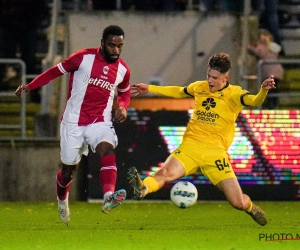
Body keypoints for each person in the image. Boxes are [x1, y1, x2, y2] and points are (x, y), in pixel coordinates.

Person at [128, 52, 276, 226]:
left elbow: (254, 100)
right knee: (165, 173)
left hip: (215, 154)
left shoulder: (235, 94)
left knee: (238, 203)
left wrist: (263, 90)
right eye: (208, 76)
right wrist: (150, 88)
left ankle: (251, 207)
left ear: (225, 77)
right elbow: (178, 91)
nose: (210, 81)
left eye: (214, 77)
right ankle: (143, 188)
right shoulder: (200, 87)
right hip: (191, 147)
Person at [15, 25, 131, 224]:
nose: (116, 50)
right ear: (102, 43)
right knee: (68, 172)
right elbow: (54, 72)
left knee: (107, 149)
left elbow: (124, 92)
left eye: (120, 46)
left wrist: (122, 107)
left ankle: (108, 197)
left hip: (100, 121)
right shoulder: (82, 58)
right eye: (112, 45)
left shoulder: (123, 70)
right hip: (73, 123)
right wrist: (30, 86)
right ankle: (62, 201)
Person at [247, 29, 284, 109]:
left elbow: (258, 52)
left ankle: (271, 105)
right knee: (274, 88)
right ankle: (273, 104)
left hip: (269, 72)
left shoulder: (263, 48)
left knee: (270, 89)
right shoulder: (274, 46)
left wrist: (250, 46)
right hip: (277, 71)